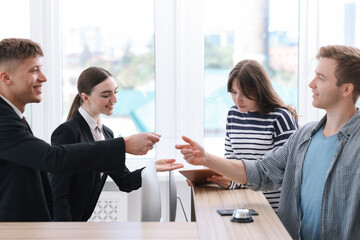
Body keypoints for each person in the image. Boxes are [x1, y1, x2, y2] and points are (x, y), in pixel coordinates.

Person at [176, 45, 360, 239]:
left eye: (321, 78)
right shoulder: (303, 137)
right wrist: (205, 158)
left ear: (346, 89)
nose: (311, 84)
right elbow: (261, 172)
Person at [0, 38, 160, 222]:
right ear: (6, 77)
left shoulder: (14, 118)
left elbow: (124, 180)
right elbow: (52, 159)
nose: (43, 78)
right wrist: (124, 145)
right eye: (34, 70)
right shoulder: (5, 120)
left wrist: (151, 169)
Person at [49, 66, 183, 221]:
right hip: (62, 226)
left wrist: (151, 169)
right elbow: (58, 195)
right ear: (85, 98)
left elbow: (125, 182)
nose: (114, 99)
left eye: (115, 92)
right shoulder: (67, 132)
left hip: (80, 223)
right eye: (106, 95)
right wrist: (63, 232)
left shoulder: (106, 134)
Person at [198, 59, 298, 213]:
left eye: (245, 93)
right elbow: (231, 160)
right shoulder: (233, 114)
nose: (238, 100)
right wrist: (222, 179)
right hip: (245, 203)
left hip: (275, 209)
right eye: (233, 92)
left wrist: (235, 182)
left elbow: (284, 173)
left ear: (260, 89)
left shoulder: (280, 117)